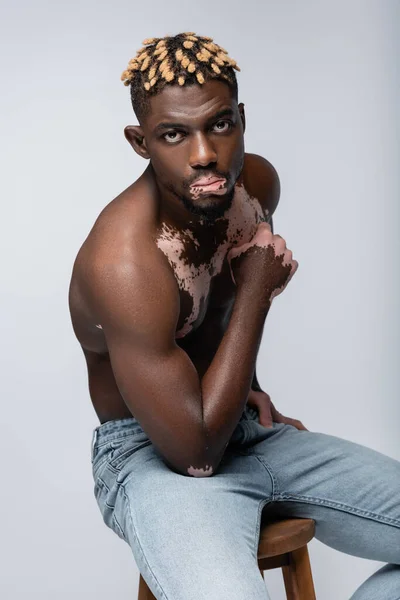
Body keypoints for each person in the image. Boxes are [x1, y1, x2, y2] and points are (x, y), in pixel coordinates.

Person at [68, 32, 400, 600]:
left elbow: (212, 310)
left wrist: (248, 386)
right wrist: (256, 294)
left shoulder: (254, 186)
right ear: (140, 142)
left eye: (219, 124)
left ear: (241, 118)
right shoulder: (123, 262)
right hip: (157, 454)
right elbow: (194, 454)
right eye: (174, 134)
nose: (204, 154)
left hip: (237, 428)